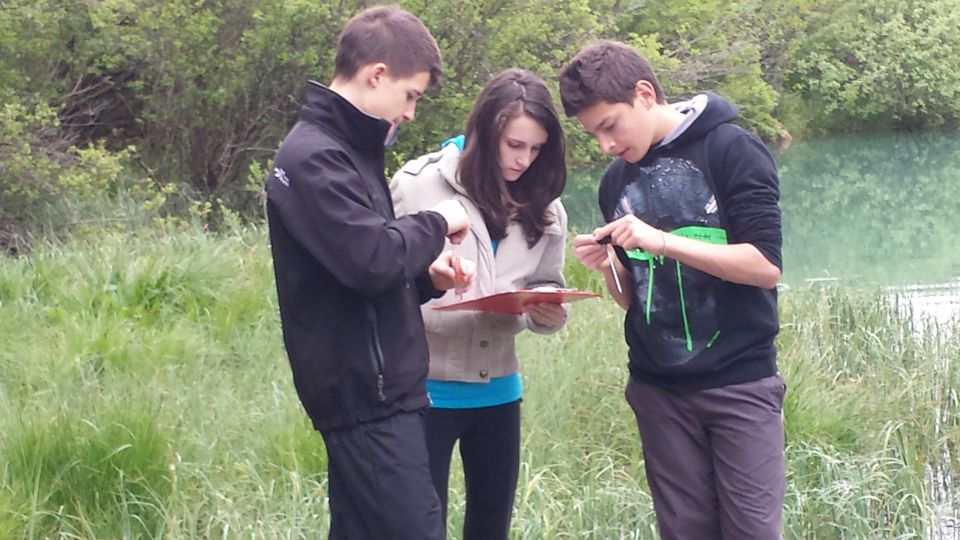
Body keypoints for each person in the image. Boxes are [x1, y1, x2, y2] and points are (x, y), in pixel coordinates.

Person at [558, 40, 786, 540]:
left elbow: (766, 265)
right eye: (593, 134)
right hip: (658, 390)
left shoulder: (731, 149)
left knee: (752, 533)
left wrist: (663, 242)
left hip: (739, 383)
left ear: (644, 94)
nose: (605, 146)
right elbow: (635, 297)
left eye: (610, 126)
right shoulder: (615, 180)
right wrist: (608, 269)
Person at [264, 6, 476, 539]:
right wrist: (437, 220)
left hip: (374, 389)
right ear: (376, 74)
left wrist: (428, 278)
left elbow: (356, 268)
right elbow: (370, 259)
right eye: (411, 96)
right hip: (367, 396)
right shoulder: (315, 157)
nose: (409, 114)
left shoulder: (348, 151)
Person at [389, 68, 569, 540]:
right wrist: (428, 279)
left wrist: (547, 311)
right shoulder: (416, 185)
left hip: (499, 394)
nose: (524, 160)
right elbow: (379, 278)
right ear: (485, 131)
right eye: (514, 145)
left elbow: (548, 283)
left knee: (491, 528)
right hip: (423, 391)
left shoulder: (547, 206)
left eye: (536, 149)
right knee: (420, 527)